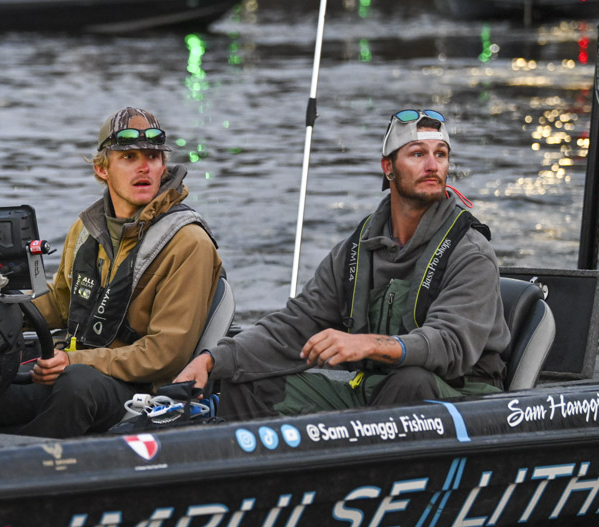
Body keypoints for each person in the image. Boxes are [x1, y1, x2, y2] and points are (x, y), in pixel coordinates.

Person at [174, 108, 510, 419]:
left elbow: (448, 345)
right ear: (388, 167)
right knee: (245, 383)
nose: (433, 166)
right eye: (418, 154)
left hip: (463, 399)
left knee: (411, 383)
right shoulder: (356, 250)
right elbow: (295, 326)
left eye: (441, 154)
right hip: (376, 390)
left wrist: (366, 344)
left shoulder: (470, 252)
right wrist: (212, 360)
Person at [0, 107, 223, 437]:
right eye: (129, 157)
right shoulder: (85, 229)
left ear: (163, 166)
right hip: (79, 364)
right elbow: (61, 305)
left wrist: (74, 361)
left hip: (144, 389)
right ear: (102, 169)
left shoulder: (189, 243)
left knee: (75, 386)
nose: (144, 167)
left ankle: (32, 460)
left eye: (153, 156)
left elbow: (166, 355)